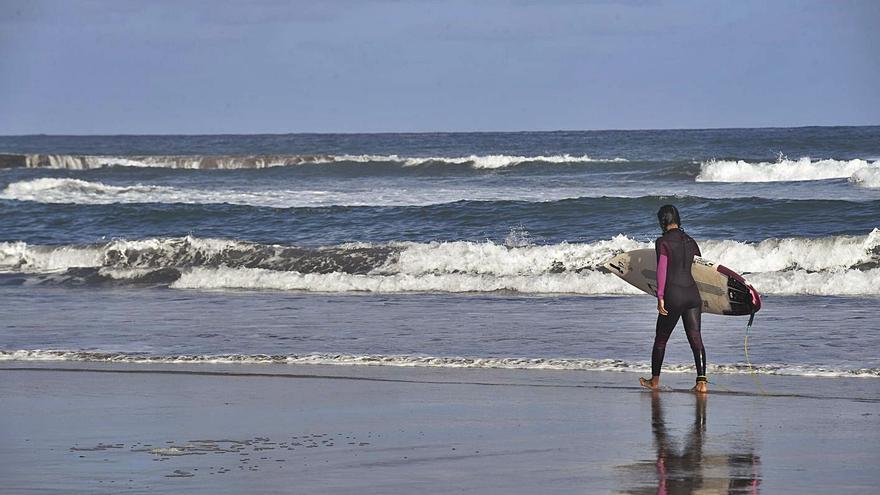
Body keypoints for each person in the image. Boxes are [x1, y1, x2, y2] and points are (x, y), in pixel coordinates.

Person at [639, 205, 708, 393]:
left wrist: (660, 296)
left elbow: (662, 270)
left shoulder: (662, 242)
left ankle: (654, 381)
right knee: (696, 338)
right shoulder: (691, 241)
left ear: (663, 221)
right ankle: (701, 382)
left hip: (673, 295)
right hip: (693, 295)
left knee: (661, 339)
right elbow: (701, 267)